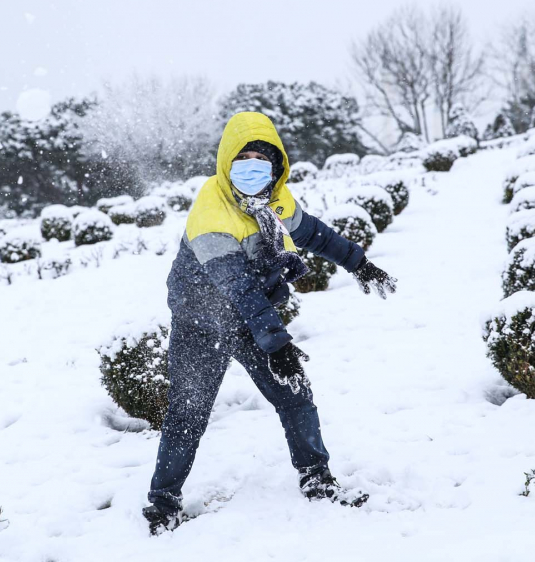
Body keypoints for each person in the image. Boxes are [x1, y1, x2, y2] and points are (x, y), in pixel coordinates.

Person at [143, 111, 397, 534]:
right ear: (226, 162)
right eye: (243, 159)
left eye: (263, 159)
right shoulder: (211, 213)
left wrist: (360, 264)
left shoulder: (272, 199)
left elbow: (314, 233)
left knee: (296, 395)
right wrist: (277, 345)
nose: (252, 168)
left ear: (277, 165)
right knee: (188, 413)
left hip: (246, 316)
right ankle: (164, 502)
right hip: (199, 320)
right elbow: (238, 286)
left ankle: (317, 478)